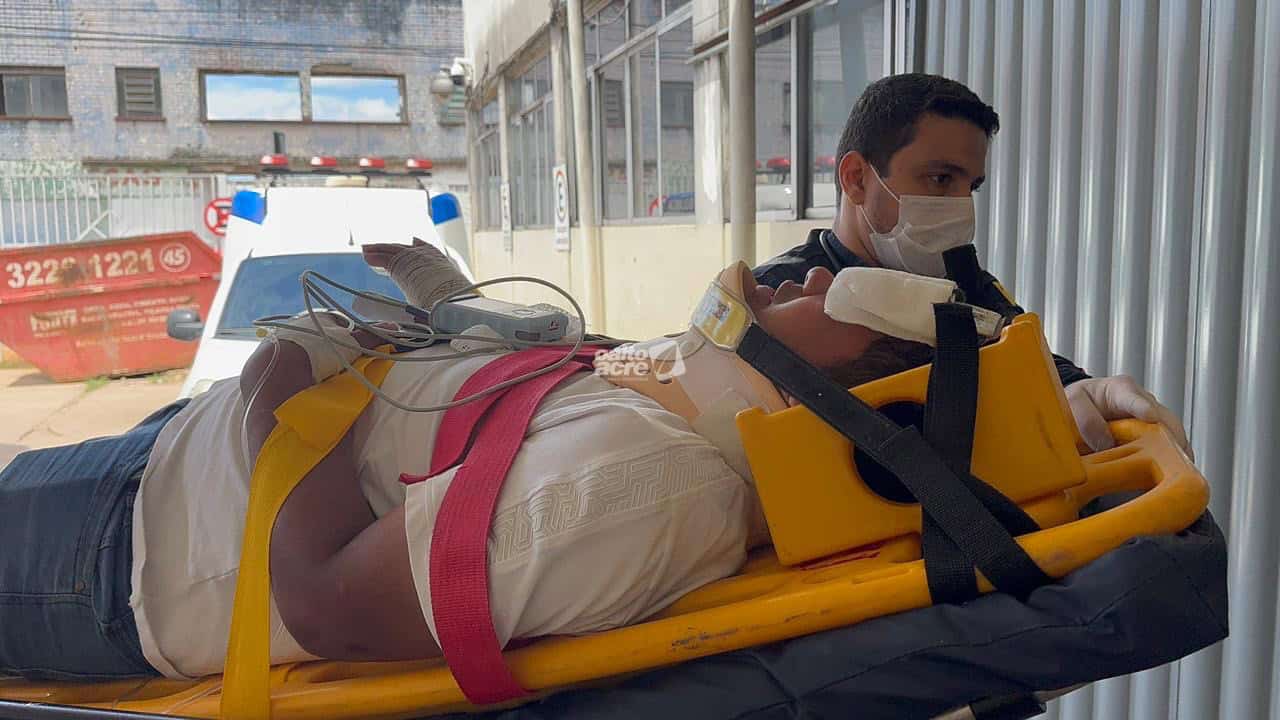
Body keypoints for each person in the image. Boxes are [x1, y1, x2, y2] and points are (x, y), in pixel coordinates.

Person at [0, 243, 914, 682]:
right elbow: (516, 417)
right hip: (162, 477)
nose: (815, 274)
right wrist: (448, 309)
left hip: (121, 557)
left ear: (846, 410)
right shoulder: (665, 412)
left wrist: (283, 383)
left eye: (853, 302)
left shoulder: (654, 488)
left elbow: (331, 604)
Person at [754, 73, 1191, 458]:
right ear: (856, 178)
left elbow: (1023, 356)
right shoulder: (777, 301)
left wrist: (1083, 389)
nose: (962, 205)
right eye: (940, 179)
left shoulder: (961, 281)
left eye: (972, 186)